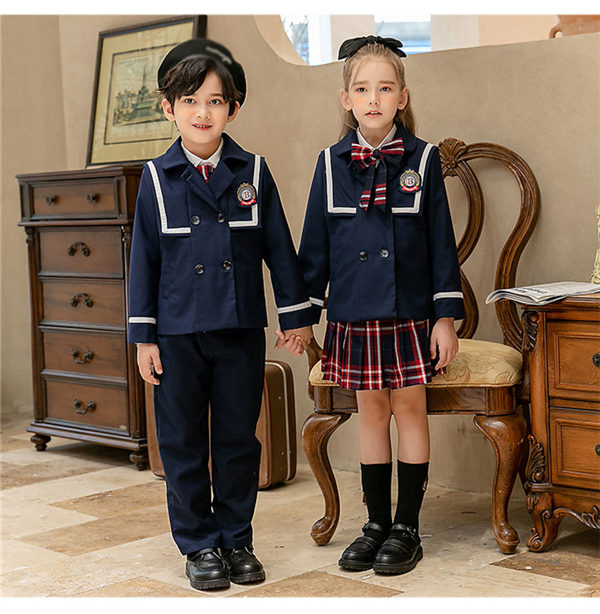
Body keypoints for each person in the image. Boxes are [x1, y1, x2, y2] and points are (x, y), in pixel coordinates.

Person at [128, 38, 312, 591]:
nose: (202, 113)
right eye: (189, 101)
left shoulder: (252, 170)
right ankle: (199, 544)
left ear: (232, 108)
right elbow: (144, 260)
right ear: (169, 108)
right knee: (182, 441)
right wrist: (144, 338)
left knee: (238, 440)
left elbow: (279, 248)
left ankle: (237, 540)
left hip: (238, 328)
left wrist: (296, 316)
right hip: (176, 332)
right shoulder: (156, 177)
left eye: (214, 101)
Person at [298, 35, 464, 576]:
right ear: (346, 99)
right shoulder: (329, 164)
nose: (374, 98)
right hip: (353, 311)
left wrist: (445, 318)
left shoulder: (424, 158)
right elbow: (315, 247)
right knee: (371, 411)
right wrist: (301, 318)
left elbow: (441, 245)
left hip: (411, 312)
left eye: (385, 88)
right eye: (363, 89)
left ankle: (407, 527)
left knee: (409, 409)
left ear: (402, 97)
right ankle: (375, 525)